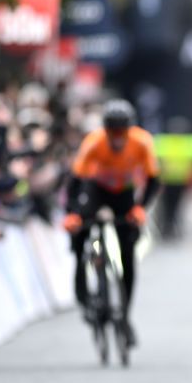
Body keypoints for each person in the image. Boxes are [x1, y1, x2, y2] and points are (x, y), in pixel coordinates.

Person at [62, 99, 160, 347]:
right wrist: (73, 213)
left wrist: (140, 208)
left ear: (129, 130)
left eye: (121, 133)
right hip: (96, 191)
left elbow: (153, 180)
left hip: (124, 195)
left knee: (128, 253)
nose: (117, 138)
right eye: (112, 132)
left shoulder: (142, 142)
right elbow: (74, 182)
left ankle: (124, 316)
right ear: (105, 130)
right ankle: (85, 297)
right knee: (79, 233)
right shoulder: (93, 143)